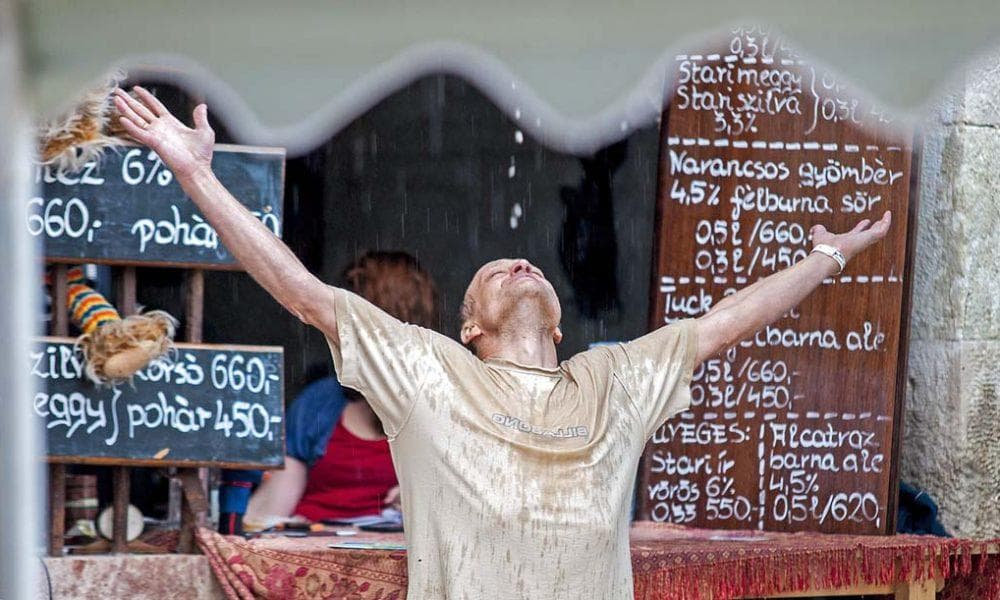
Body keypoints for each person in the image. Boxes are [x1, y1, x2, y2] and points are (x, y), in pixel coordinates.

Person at [114, 87, 892, 599]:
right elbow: (301, 291)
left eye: (528, 267)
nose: (518, 264)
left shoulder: (615, 378)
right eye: (493, 272)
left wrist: (828, 255)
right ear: (469, 328)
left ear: (559, 322)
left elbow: (727, 324)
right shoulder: (428, 372)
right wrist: (197, 176)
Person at [241, 251, 439, 527]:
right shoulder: (320, 402)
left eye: (342, 319)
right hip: (315, 543)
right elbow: (273, 506)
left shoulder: (442, 408)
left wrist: (422, 500)